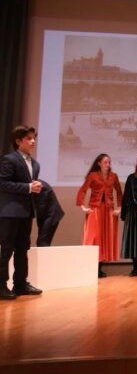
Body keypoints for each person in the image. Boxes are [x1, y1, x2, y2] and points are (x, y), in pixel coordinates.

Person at [0, 125, 44, 299]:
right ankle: (1, 286)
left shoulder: (35, 164)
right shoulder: (9, 159)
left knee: (22, 249)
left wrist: (35, 188)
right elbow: (2, 183)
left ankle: (20, 284)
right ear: (18, 141)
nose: (33, 141)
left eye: (34, 138)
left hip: (26, 212)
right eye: (28, 138)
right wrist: (27, 187)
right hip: (10, 212)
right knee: (6, 250)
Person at [76, 154, 123, 277]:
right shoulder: (92, 175)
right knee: (94, 237)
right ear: (99, 163)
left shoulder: (113, 176)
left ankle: (99, 268)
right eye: (105, 162)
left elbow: (119, 192)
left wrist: (119, 208)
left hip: (108, 210)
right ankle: (91, 267)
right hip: (95, 209)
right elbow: (83, 190)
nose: (108, 164)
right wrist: (82, 206)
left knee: (105, 238)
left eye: (109, 162)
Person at [34, 180, 65, 247]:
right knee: (42, 241)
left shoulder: (39, 185)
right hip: (45, 214)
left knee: (42, 241)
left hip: (51, 215)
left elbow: (41, 205)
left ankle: (44, 254)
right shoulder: (35, 183)